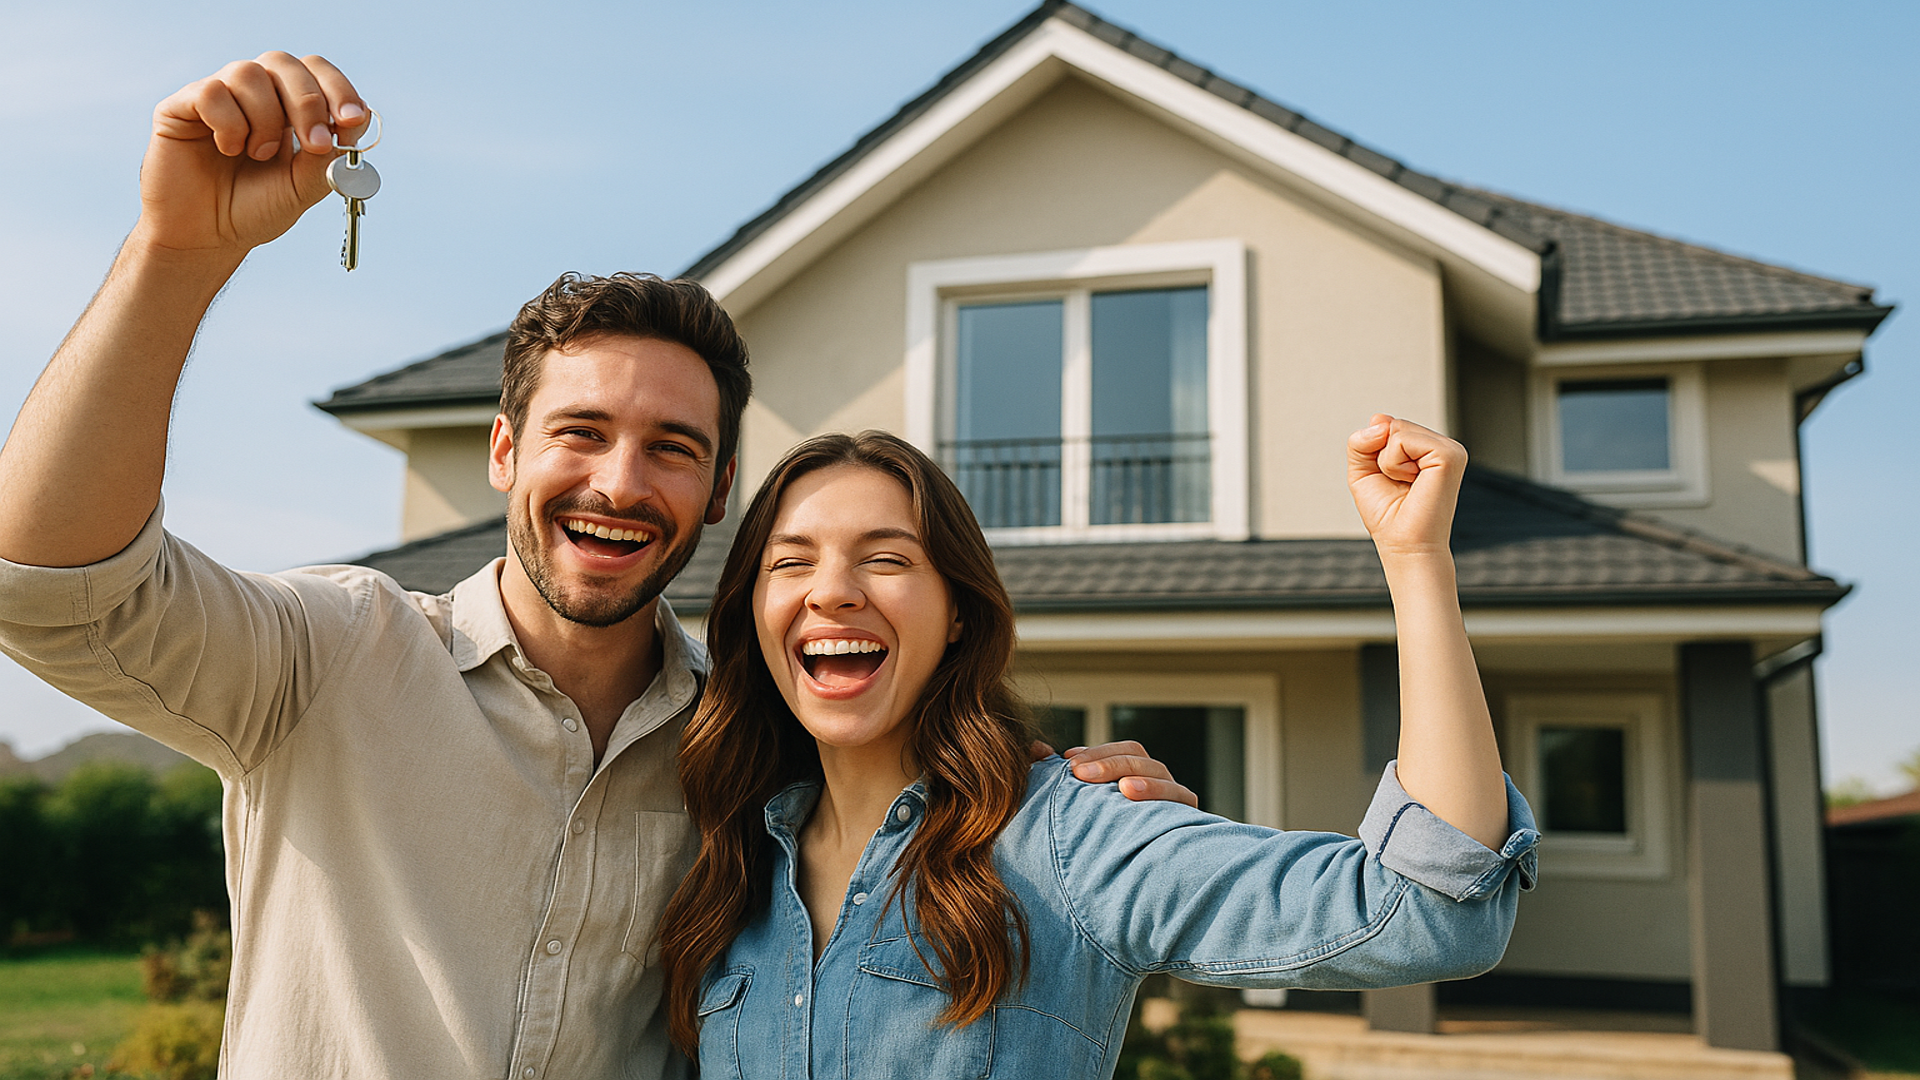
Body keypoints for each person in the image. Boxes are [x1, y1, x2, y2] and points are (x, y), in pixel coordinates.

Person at [0, 56, 1193, 1079]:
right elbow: (49, 580)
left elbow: (923, 805)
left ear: (719, 490)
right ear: (506, 453)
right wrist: (173, 252)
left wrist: (1066, 801)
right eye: (581, 435)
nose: (621, 484)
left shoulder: (754, 741)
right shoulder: (329, 654)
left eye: (673, 449)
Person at [657, 429, 1540, 1079]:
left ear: (958, 611)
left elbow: (1427, 911)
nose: (833, 592)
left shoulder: (1070, 834)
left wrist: (1417, 558)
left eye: (885, 559)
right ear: (753, 614)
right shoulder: (724, 863)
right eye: (791, 563)